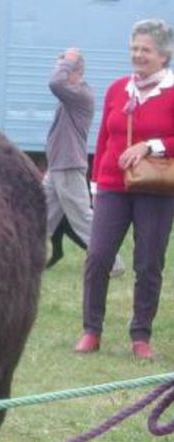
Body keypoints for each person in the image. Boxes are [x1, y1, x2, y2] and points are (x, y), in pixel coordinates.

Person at [75, 19, 174, 360]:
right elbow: (104, 136)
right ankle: (91, 330)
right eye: (134, 48)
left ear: (164, 55)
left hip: (156, 189)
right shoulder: (118, 89)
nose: (138, 55)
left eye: (145, 49)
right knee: (98, 256)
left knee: (148, 263)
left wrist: (152, 146)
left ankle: (141, 335)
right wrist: (95, 184)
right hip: (113, 186)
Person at [43, 48, 125, 276]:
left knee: (82, 217)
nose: (58, 71)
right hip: (59, 165)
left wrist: (67, 61)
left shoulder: (80, 95)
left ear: (75, 72)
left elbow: (55, 83)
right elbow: (57, 82)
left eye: (64, 68)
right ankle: (27, 258)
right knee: (40, 215)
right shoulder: (71, 95)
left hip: (68, 166)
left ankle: (113, 262)